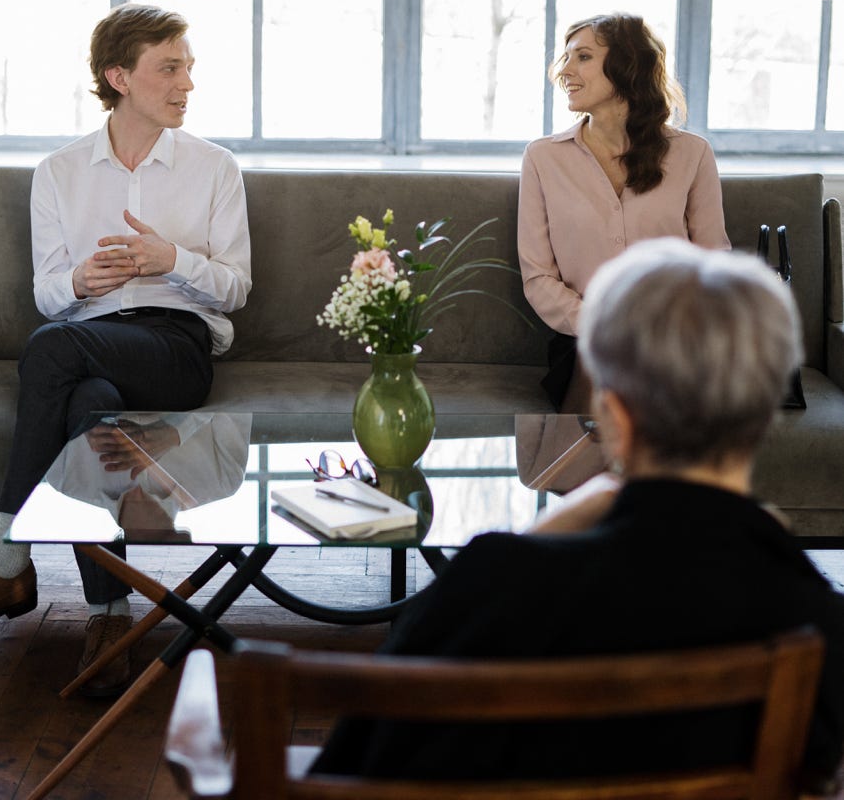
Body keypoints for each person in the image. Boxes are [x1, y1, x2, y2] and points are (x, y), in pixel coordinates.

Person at [311, 239, 844, 794]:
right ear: (764, 418)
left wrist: (529, 538)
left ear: (612, 417)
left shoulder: (491, 587)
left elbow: (357, 757)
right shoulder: (818, 623)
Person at [0, 4, 252, 698]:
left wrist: (170, 259)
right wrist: (82, 280)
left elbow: (233, 290)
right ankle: (110, 616)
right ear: (119, 76)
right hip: (89, 344)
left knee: (53, 351)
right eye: (169, 68)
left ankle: (3, 557)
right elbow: (52, 294)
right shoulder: (59, 172)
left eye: (188, 67)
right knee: (89, 405)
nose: (186, 84)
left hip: (177, 348)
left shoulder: (214, 168)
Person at [517, 13, 731, 411]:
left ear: (627, 65)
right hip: (584, 339)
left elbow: (713, 263)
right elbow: (538, 277)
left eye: (582, 57)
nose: (565, 71)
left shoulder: (692, 154)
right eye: (565, 58)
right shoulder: (543, 158)